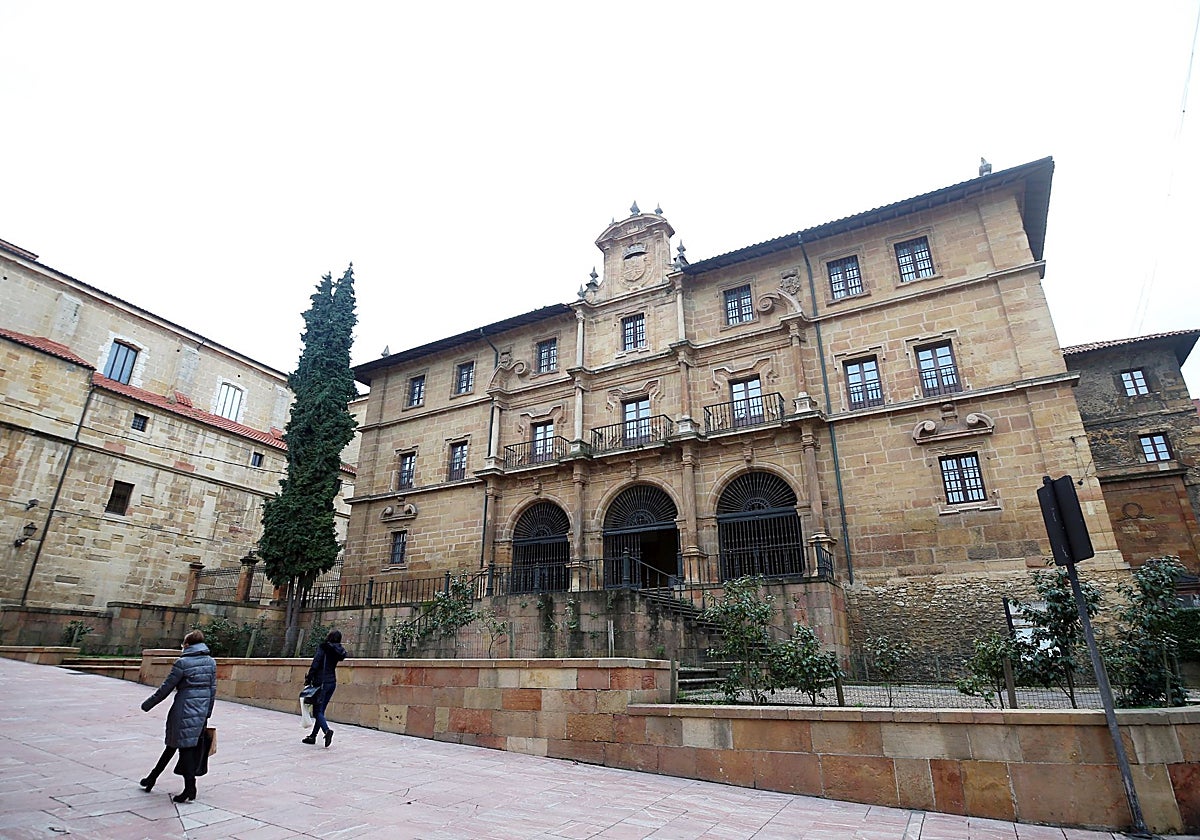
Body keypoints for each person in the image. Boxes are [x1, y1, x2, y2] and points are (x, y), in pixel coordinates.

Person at [140, 629, 216, 802]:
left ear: (187, 644)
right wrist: (208, 713)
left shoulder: (183, 663)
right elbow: (213, 689)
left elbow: (166, 688)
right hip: (201, 709)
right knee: (173, 746)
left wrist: (148, 704)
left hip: (183, 709)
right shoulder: (211, 662)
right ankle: (151, 778)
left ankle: (190, 788)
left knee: (184, 749)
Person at [302, 629, 347, 747]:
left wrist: (308, 678)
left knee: (317, 711)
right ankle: (313, 736)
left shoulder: (324, 648)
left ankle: (327, 731)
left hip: (321, 682)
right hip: (332, 682)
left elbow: (316, 663)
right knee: (321, 711)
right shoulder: (338, 651)